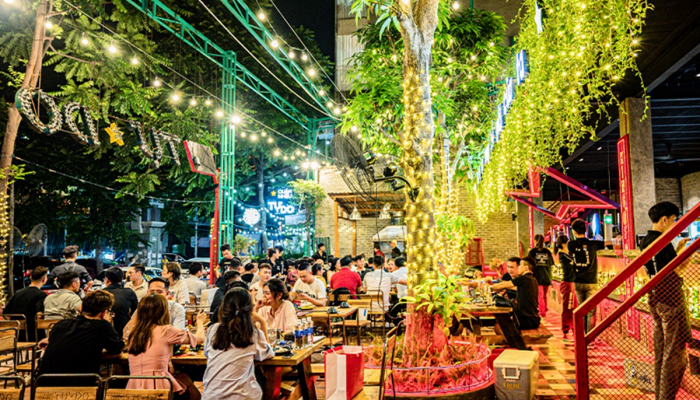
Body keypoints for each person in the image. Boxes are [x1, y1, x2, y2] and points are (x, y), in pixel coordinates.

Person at [640, 201, 691, 400]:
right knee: (674, 356)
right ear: (664, 220)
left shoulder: (646, 240)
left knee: (662, 354)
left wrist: (677, 250)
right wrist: (686, 252)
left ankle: (661, 395)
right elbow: (677, 272)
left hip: (656, 299)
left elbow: (660, 270)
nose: (675, 224)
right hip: (671, 301)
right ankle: (666, 397)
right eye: (673, 220)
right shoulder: (661, 242)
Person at [37, 290, 124, 386]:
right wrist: (94, 354)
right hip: (78, 385)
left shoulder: (61, 324)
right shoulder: (102, 326)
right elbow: (118, 352)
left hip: (43, 383)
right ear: (104, 313)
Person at [126, 294, 206, 395]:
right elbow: (199, 338)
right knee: (187, 385)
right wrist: (200, 321)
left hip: (133, 387)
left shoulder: (134, 334)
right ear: (163, 311)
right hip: (159, 387)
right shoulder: (166, 330)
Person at [202, 288, 274, 400]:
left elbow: (207, 353)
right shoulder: (253, 333)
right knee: (261, 381)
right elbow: (268, 354)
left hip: (210, 396)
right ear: (250, 310)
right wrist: (262, 322)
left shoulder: (213, 329)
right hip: (242, 396)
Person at [569, 218, 605, 333]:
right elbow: (608, 244)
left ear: (574, 232)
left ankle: (581, 336)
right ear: (585, 230)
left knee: (581, 309)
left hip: (578, 280)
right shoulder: (594, 244)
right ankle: (590, 337)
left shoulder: (571, 245)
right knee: (591, 311)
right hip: (591, 280)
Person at [489, 257, 540, 330]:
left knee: (498, 327)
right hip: (534, 318)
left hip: (527, 320)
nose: (518, 267)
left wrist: (489, 288)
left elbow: (503, 285)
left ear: (526, 268)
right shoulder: (533, 279)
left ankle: (515, 341)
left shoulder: (523, 278)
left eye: (520, 265)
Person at [4, 266, 48, 341]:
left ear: (30, 278)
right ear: (44, 279)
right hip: (33, 334)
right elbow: (39, 316)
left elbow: (7, 315)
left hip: (16, 334)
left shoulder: (18, 293)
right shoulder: (41, 295)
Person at [102, 267, 139, 338]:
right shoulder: (129, 292)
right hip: (124, 331)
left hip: (104, 331)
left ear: (107, 280)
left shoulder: (101, 293)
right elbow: (136, 311)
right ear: (122, 279)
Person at [554, 235, 576, 341]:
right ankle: (566, 331)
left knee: (572, 307)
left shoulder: (566, 254)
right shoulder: (563, 255)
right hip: (568, 283)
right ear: (564, 244)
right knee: (568, 307)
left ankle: (572, 329)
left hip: (571, 283)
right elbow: (575, 261)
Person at [528, 234, 554, 320]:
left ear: (535, 241)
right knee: (544, 296)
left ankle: (542, 314)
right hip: (547, 276)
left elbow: (529, 265)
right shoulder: (548, 252)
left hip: (537, 276)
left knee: (539, 296)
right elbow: (551, 264)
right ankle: (544, 311)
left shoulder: (532, 252)